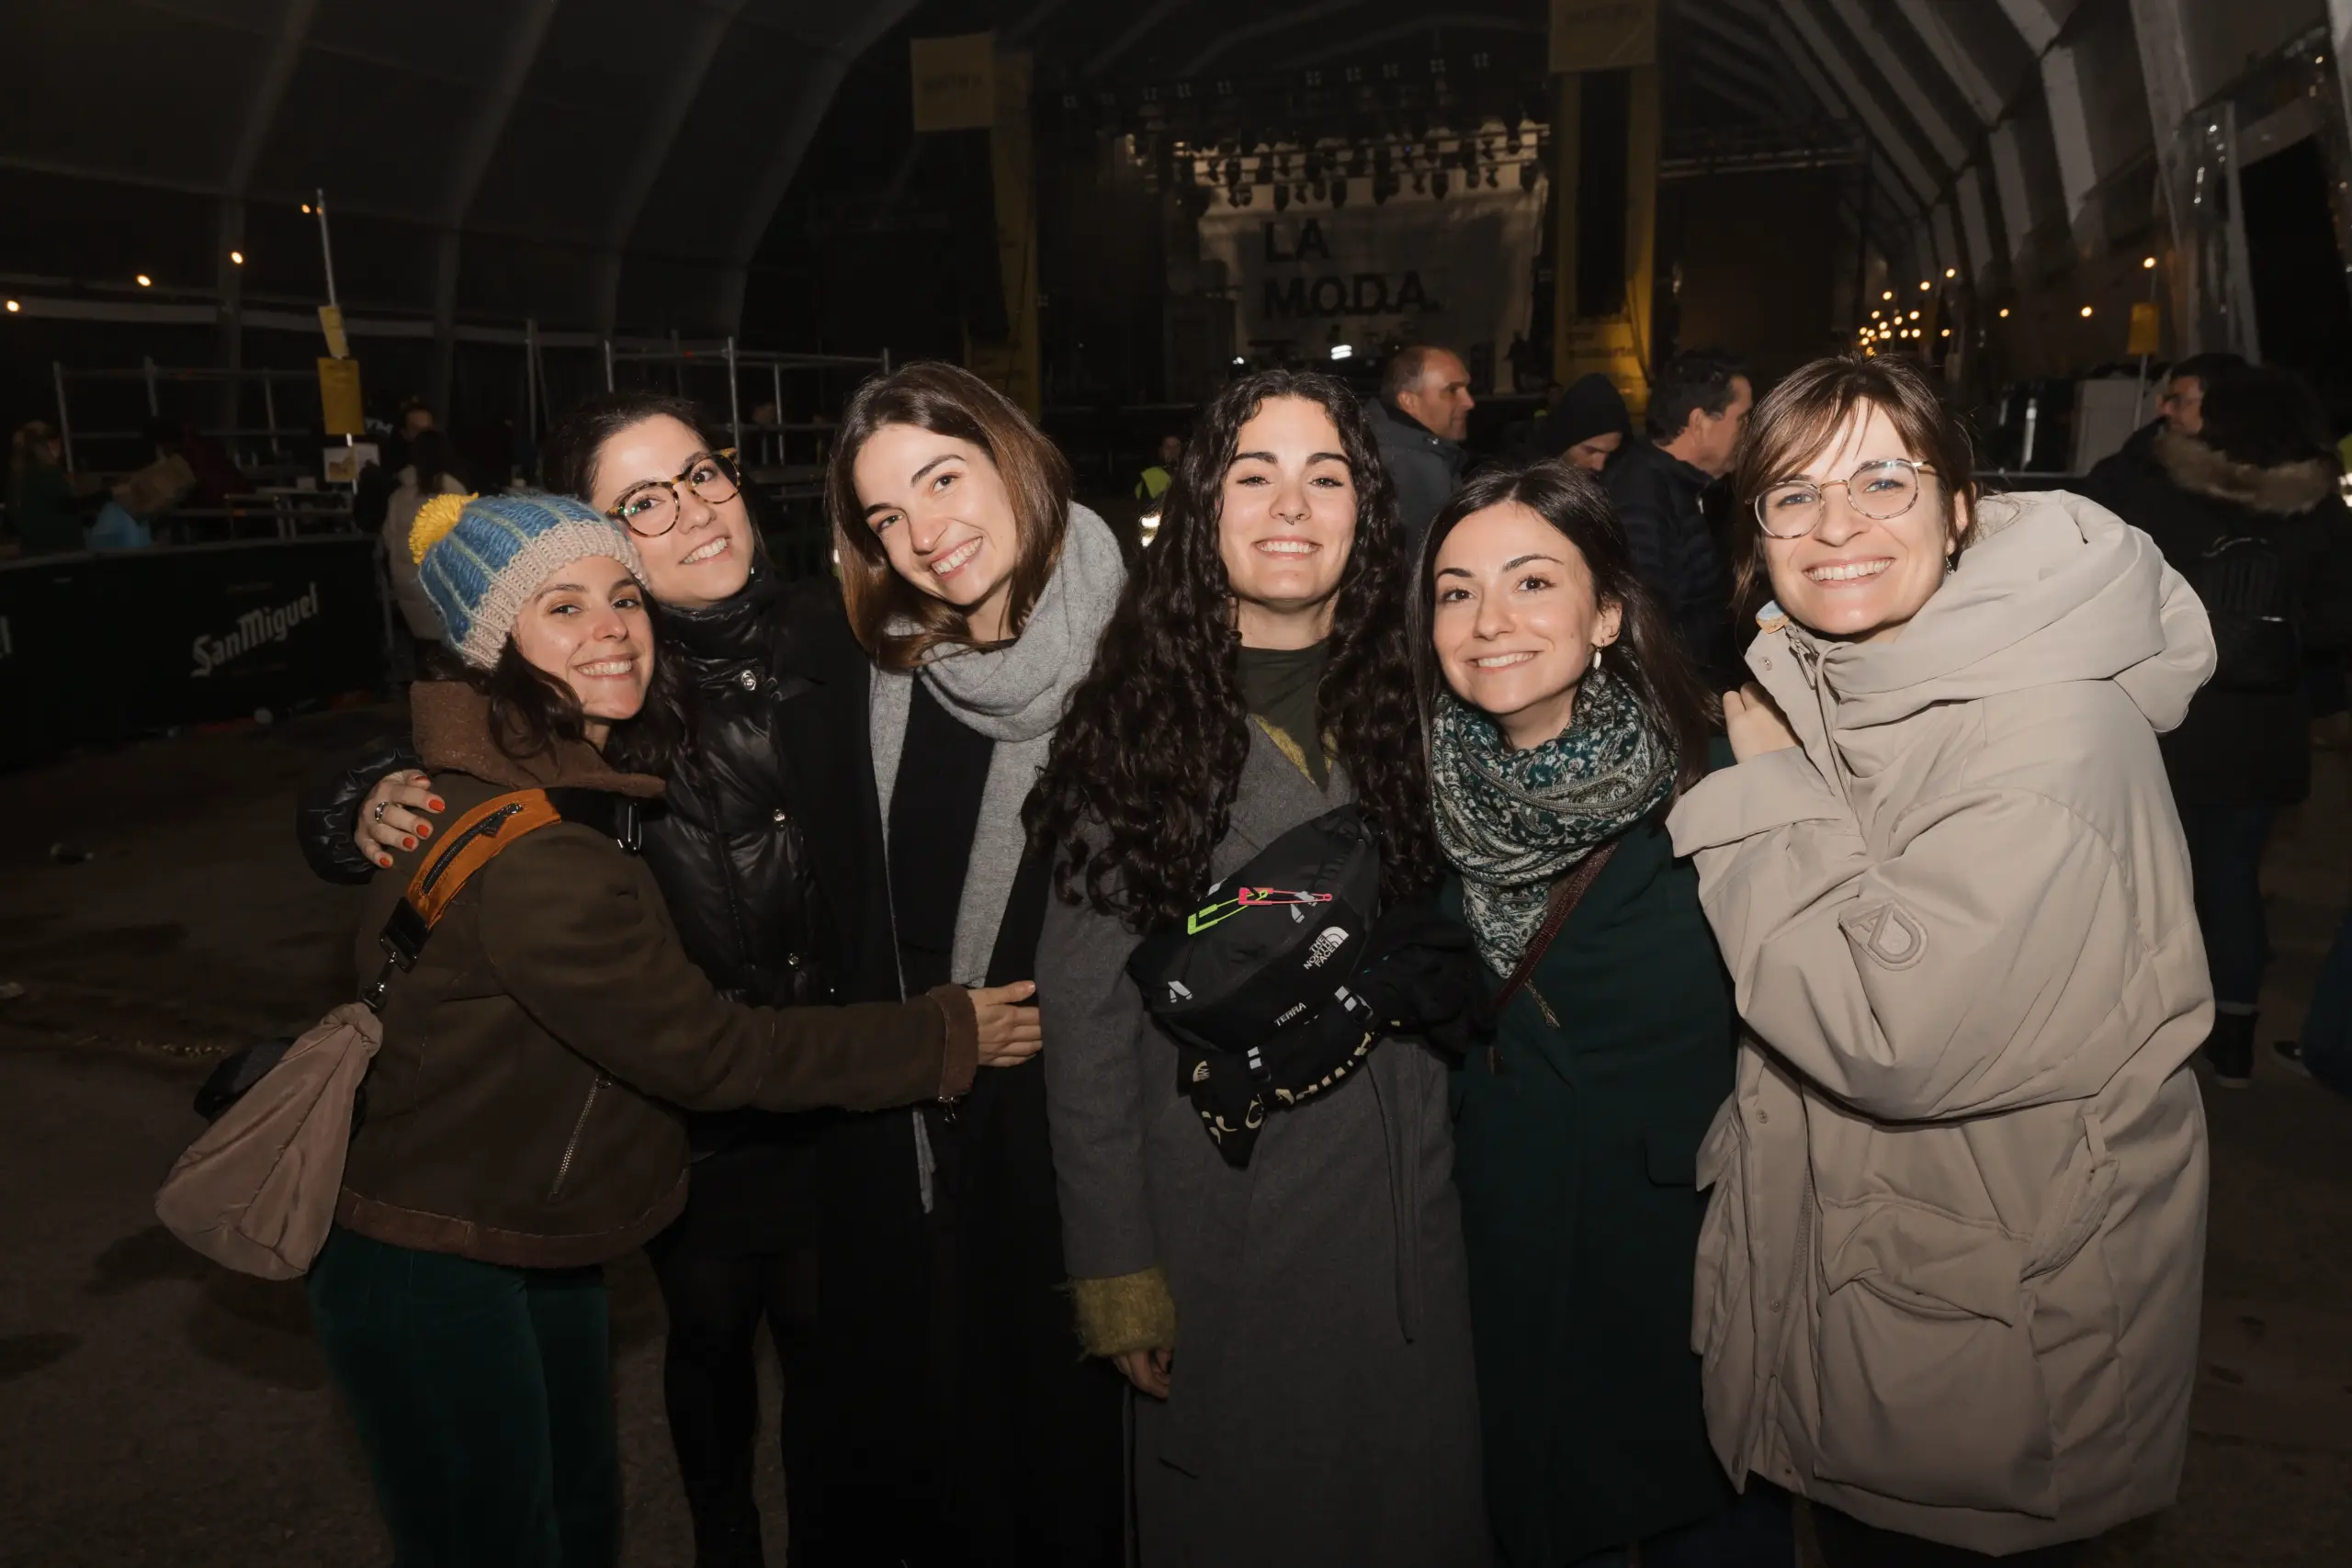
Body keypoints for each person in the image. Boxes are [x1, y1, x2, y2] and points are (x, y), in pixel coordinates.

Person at [308, 488, 1040, 1568]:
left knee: (576, 1522)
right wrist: (941, 1037)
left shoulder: (551, 783)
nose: (611, 629)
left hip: (525, 1235)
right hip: (432, 1262)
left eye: (622, 598)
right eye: (562, 607)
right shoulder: (542, 853)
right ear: (490, 648)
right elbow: (709, 1052)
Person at [1666, 355, 2214, 1563]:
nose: (1835, 526)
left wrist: (1764, 797)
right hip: (1898, 1298)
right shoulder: (1872, 667)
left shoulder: (2046, 746)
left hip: (1994, 1346)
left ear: (1959, 505)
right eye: (1793, 494)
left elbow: (1886, 1033)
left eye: (1881, 480)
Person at [1026, 368, 1488, 1566]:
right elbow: (1085, 1029)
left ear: (1364, 514)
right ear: (1203, 510)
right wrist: (1118, 1268)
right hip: (1227, 1233)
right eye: (1255, 474)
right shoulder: (1132, 734)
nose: (1291, 505)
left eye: (1325, 476)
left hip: (1409, 1223)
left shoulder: (1423, 704)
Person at [1418, 459, 1791, 1567]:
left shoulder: (1722, 777)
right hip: (1493, 1258)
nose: (1489, 621)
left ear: (1608, 616)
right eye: (1455, 591)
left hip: (1672, 1272)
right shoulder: (1406, 792)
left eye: (1533, 582)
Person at [825, 360, 1129, 1566]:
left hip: (1087, 1141)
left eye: (942, 478)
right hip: (937, 1122)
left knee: (1082, 1474)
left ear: (1011, 457)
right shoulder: (887, 672)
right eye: (886, 515)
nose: (923, 532)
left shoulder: (1149, 653)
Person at [2079, 362, 2352, 1086]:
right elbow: (2337, 621)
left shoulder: (2161, 491)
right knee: (2232, 878)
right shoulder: (2318, 508)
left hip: (2170, 718)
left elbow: (2096, 556)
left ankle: (2140, 1031)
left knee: (2146, 879)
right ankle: (2234, 1035)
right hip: (2265, 727)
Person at [1602, 350, 1751, 683]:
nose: (1747, 432)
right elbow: (1646, 628)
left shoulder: (1683, 484)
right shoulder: (1641, 494)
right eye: (1742, 420)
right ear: (1700, 423)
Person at [2081, 352, 2246, 502]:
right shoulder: (2135, 464)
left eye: (2178, 401)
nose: (2164, 410)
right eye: (2166, 399)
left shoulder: (2251, 477)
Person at [1373, 344, 1476, 548]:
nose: (1468, 402)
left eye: (1466, 389)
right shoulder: (1414, 468)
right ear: (1409, 401)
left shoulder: (1383, 445)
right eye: (1452, 390)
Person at [384, 428, 468, 650]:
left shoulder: (398, 496)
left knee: (423, 648)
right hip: (441, 590)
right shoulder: (453, 492)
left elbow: (389, 539)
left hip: (406, 586)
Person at [7, 422, 95, 556]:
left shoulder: (18, 477)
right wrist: (108, 495)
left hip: (35, 553)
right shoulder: (48, 474)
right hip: (60, 553)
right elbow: (70, 508)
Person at [1526, 372, 1632, 473]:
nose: (1599, 466)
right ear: (1563, 441)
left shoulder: (1622, 471)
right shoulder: (1523, 476)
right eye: (1591, 451)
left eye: (1609, 454)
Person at [1136, 432, 1184, 502]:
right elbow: (1145, 505)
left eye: (1177, 446)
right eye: (1168, 447)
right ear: (1161, 451)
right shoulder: (1151, 475)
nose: (1173, 451)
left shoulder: (1190, 474)